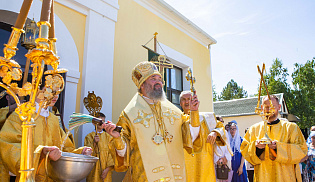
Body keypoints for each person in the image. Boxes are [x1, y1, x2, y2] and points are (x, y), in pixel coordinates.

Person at [104, 61, 201, 181]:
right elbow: (124, 155)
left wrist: (194, 112)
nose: (159, 82)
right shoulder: (129, 115)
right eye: (153, 78)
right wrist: (118, 138)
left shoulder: (174, 111)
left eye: (160, 78)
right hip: (145, 176)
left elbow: (191, 138)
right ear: (142, 85)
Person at [0, 86, 93, 181]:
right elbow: (8, 147)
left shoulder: (53, 119)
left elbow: (63, 148)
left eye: (58, 92)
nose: (56, 95)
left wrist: (80, 153)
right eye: (51, 90)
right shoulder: (21, 115)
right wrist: (40, 153)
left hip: (52, 177)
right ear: (37, 89)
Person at [240, 95, 308, 182]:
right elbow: (245, 151)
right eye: (266, 107)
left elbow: (302, 151)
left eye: (273, 106)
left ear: (279, 107)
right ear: (261, 108)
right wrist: (257, 148)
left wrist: (278, 148)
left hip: (285, 177)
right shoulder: (254, 129)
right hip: (262, 177)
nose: (269, 110)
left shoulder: (291, 128)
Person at [180, 90, 226, 181]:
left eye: (189, 99)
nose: (186, 102)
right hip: (184, 162)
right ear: (180, 103)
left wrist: (215, 132)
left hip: (204, 162)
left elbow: (221, 127)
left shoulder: (207, 118)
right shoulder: (176, 119)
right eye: (183, 99)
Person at [84, 112, 114, 182]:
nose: (102, 124)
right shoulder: (89, 137)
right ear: (94, 123)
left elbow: (112, 153)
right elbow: (86, 154)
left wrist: (107, 169)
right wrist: (94, 143)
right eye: (100, 122)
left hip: (106, 169)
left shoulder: (108, 137)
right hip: (93, 169)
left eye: (103, 122)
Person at [214, 116, 233, 182]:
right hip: (215, 163)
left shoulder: (225, 132)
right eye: (220, 122)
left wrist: (225, 158)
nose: (221, 124)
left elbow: (228, 146)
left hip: (225, 162)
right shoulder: (212, 133)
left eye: (222, 122)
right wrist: (217, 160)